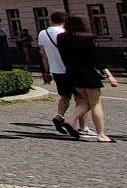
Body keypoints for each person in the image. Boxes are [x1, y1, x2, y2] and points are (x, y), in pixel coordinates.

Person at [56, 16, 117, 142]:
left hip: (72, 72)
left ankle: (71, 120)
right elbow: (97, 59)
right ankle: (101, 134)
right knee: (95, 103)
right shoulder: (88, 38)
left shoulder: (61, 38)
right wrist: (109, 75)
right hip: (88, 73)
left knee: (85, 101)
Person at [37, 10, 88, 138]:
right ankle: (82, 127)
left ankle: (59, 116)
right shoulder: (66, 33)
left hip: (55, 70)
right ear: (65, 20)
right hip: (71, 69)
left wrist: (47, 71)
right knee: (81, 99)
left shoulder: (43, 33)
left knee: (64, 96)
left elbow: (43, 54)